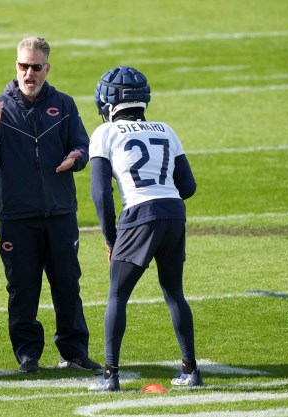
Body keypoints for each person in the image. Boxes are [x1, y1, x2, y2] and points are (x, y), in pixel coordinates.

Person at [0, 36, 101, 373]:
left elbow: (82, 146)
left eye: (35, 67)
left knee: (67, 285)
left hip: (60, 213)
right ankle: (28, 355)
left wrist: (77, 157)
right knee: (22, 289)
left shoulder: (65, 104)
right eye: (23, 66)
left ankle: (73, 351)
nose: (28, 73)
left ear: (47, 68)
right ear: (16, 65)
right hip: (17, 216)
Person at [87, 66, 201, 391]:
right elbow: (188, 186)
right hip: (174, 212)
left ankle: (110, 376)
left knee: (118, 294)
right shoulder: (167, 129)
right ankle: (191, 371)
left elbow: (100, 194)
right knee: (174, 292)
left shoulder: (104, 133)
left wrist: (112, 239)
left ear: (108, 102)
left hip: (139, 212)